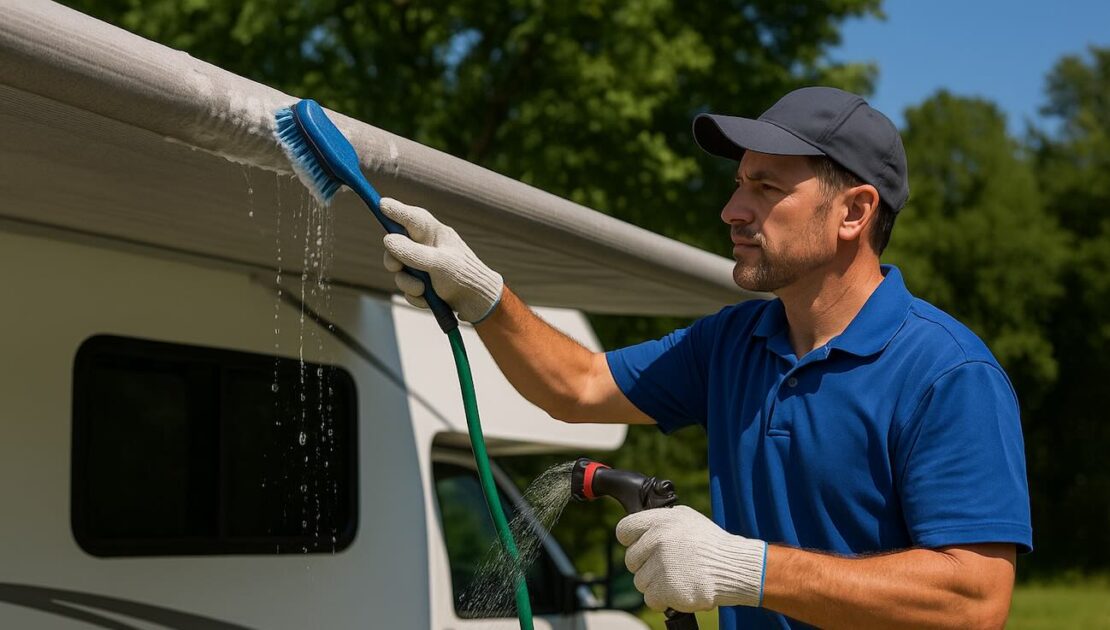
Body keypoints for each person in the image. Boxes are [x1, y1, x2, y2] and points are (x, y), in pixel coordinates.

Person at [378, 86, 1032, 629]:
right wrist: (484, 294)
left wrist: (748, 569)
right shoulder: (734, 342)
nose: (732, 209)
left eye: (766, 188)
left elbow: (975, 599)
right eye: (738, 183)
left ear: (854, 213)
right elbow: (576, 386)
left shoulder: (947, 374)